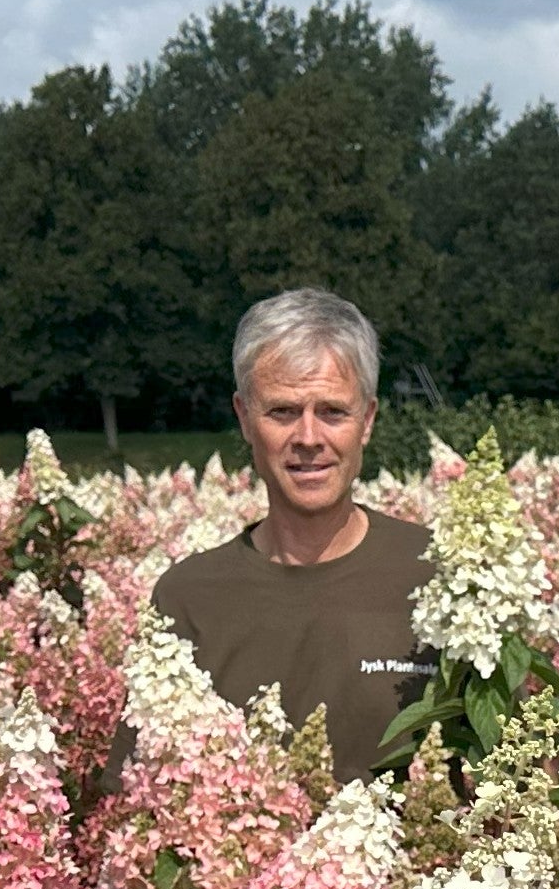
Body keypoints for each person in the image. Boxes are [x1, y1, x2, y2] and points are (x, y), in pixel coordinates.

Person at [148, 288, 432, 784]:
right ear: (244, 418)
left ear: (367, 421)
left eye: (333, 412)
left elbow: (525, 773)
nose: (308, 438)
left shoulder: (444, 576)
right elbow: (144, 792)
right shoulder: (186, 598)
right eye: (282, 411)